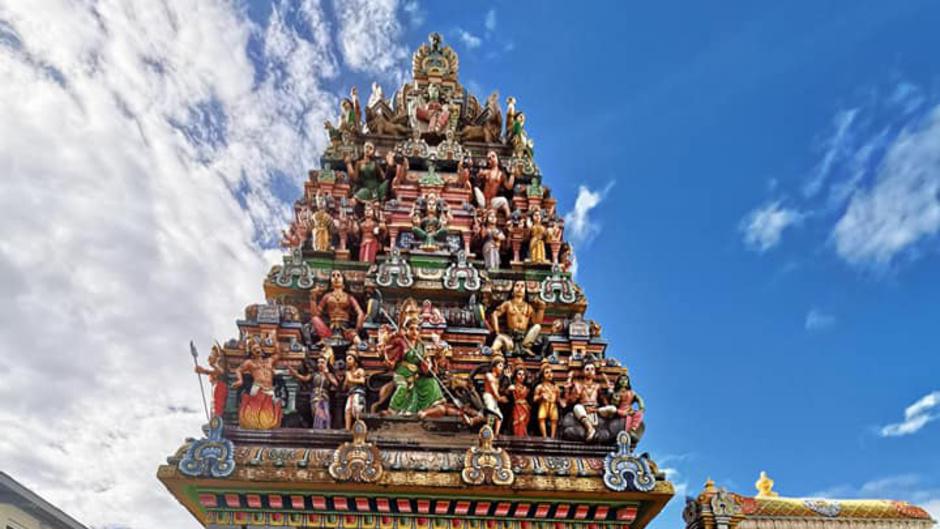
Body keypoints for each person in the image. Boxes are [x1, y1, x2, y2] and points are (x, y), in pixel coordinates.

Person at [383, 316, 446, 416]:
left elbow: (426, 360)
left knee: (431, 381)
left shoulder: (421, 346)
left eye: (417, 329)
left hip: (416, 375)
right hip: (402, 373)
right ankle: (392, 410)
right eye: (411, 328)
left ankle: (428, 407)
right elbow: (387, 349)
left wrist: (427, 364)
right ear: (406, 330)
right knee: (403, 386)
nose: (414, 332)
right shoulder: (401, 342)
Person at [233, 339, 283, 430]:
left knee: (270, 411)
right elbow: (238, 370)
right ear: (251, 353)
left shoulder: (269, 360)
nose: (257, 350)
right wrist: (240, 380)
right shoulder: (250, 363)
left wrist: (276, 343)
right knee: (254, 409)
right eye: (254, 349)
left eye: (258, 348)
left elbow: (278, 354)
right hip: (257, 387)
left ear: (261, 349)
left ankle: (267, 425)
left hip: (269, 389)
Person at [490, 280, 545, 357]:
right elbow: (494, 314)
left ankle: (526, 347)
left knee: (537, 327)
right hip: (511, 339)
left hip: (525, 339)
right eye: (517, 285)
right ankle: (492, 351)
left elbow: (537, 323)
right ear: (512, 290)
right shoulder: (508, 304)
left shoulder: (529, 307)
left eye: (522, 286)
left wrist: (541, 308)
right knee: (500, 338)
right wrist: (496, 331)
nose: (519, 288)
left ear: (525, 292)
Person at [289, 352, 338, 429]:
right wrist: (295, 374)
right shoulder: (314, 374)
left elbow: (336, 384)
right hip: (315, 396)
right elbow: (305, 379)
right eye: (318, 362)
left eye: (322, 362)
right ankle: (318, 426)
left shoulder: (329, 375)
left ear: (326, 364)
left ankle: (325, 427)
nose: (320, 364)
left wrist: (327, 375)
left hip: (324, 396)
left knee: (325, 412)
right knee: (316, 411)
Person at [473, 151, 514, 217]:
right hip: (483, 200)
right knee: (475, 189)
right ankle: (480, 210)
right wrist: (479, 175)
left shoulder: (501, 174)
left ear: (497, 158)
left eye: (493, 156)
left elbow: (509, 187)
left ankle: (509, 220)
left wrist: (512, 174)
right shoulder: (486, 172)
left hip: (492, 201)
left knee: (504, 200)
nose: (491, 159)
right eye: (489, 158)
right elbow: (476, 180)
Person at [194, 343, 228, 417]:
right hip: (216, 387)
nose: (210, 356)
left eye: (212, 354)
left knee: (217, 407)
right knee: (214, 406)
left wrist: (204, 370)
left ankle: (216, 420)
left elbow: (220, 371)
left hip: (220, 387)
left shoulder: (220, 362)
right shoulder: (216, 363)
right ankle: (215, 420)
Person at [533, 361, 560, 438]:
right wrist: (541, 396)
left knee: (554, 419)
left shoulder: (555, 387)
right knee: (541, 418)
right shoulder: (539, 387)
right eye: (547, 372)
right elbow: (534, 399)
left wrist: (557, 397)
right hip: (543, 404)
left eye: (551, 372)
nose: (549, 374)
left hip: (553, 405)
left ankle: (552, 436)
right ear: (542, 375)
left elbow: (558, 399)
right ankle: (544, 436)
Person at [482, 355, 508, 433]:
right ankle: (486, 435)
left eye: (502, 366)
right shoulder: (489, 375)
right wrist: (499, 398)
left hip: (494, 399)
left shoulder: (497, 379)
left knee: (500, 417)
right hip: (489, 397)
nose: (502, 368)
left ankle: (496, 435)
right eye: (500, 366)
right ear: (494, 367)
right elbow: (494, 391)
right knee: (492, 415)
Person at [343, 351, 367, 430]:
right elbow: (344, 387)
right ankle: (347, 428)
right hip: (350, 394)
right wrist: (346, 380)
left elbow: (362, 381)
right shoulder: (348, 373)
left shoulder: (360, 370)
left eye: (350, 359)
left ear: (355, 361)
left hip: (358, 393)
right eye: (347, 360)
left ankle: (359, 428)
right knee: (347, 410)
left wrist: (350, 378)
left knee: (357, 409)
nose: (347, 361)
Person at [507, 360, 531, 437]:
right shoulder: (513, 386)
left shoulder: (526, 388)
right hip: (516, 407)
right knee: (517, 422)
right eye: (519, 374)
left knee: (524, 423)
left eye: (523, 374)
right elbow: (507, 395)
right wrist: (509, 389)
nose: (521, 376)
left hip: (525, 408)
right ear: (515, 375)